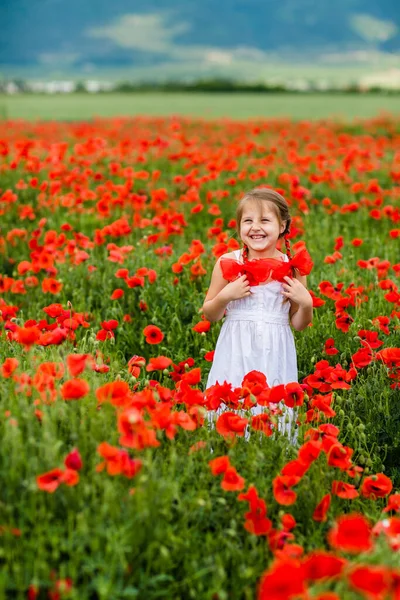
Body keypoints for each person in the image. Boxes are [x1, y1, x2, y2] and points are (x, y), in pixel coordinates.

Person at [202, 187, 313, 434]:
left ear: (283, 225)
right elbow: (209, 312)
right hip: (235, 351)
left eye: (265, 220)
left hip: (276, 352)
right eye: (248, 221)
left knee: (273, 413)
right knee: (232, 406)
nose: (255, 227)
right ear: (239, 226)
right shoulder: (228, 263)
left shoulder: (292, 268)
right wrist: (226, 296)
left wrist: (306, 304)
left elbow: (299, 323)